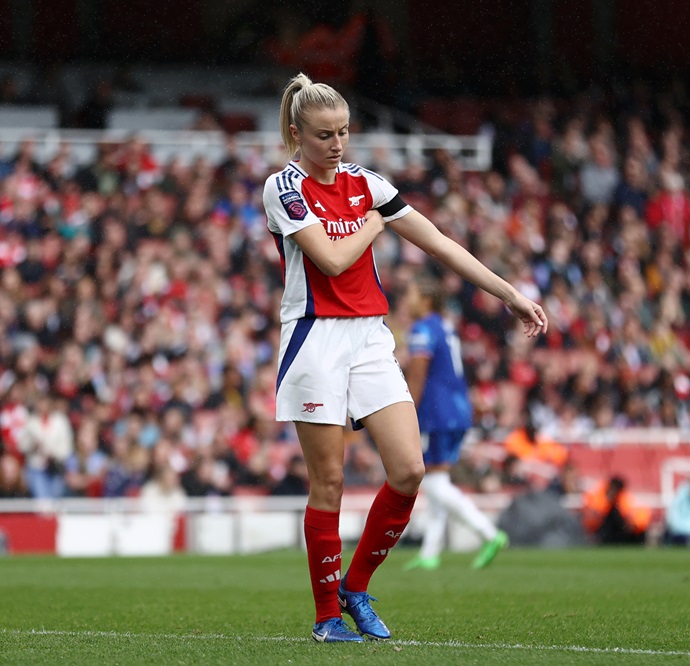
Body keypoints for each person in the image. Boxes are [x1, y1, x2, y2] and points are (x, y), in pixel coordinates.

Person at [263, 73, 547, 643]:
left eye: (344, 131)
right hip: (315, 336)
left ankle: (356, 586)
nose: (338, 144)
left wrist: (510, 293)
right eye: (324, 135)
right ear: (297, 135)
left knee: (410, 470)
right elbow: (335, 261)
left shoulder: (366, 181)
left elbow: (439, 241)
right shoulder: (283, 188)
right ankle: (325, 619)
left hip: (369, 337)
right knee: (330, 482)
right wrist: (375, 220)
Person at [400, 274, 509, 572]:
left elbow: (419, 375)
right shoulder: (445, 327)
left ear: (425, 300)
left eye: (410, 294)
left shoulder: (422, 329)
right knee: (439, 479)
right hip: (458, 408)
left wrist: (407, 409)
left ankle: (489, 533)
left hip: (438, 412)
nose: (405, 300)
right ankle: (430, 552)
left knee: (433, 481)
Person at [581, 476, 651, 544]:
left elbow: (631, 519)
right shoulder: (599, 496)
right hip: (604, 529)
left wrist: (631, 524)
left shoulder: (623, 499)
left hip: (620, 529)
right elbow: (594, 518)